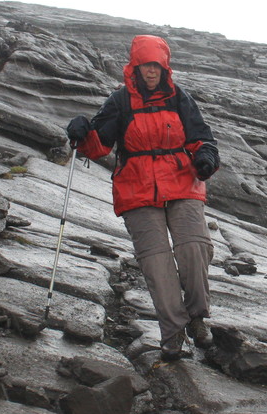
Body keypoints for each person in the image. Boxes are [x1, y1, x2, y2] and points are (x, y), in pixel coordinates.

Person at [66, 35, 220, 361]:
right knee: (156, 260)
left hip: (182, 183)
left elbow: (202, 139)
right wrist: (82, 132)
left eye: (156, 66)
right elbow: (99, 146)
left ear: (164, 68)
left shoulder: (180, 99)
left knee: (195, 247)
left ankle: (197, 318)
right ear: (134, 67)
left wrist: (205, 158)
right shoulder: (120, 102)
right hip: (137, 188)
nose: (151, 72)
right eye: (144, 65)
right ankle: (173, 332)